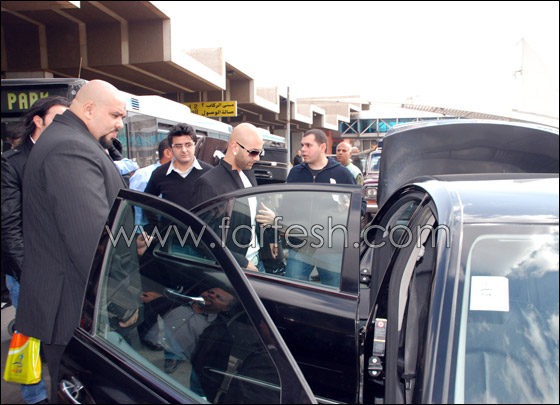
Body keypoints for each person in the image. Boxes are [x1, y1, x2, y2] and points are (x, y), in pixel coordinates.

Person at [15, 80, 129, 405]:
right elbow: (92, 243)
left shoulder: (71, 140)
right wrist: (123, 302)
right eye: (116, 115)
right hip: (71, 308)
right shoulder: (70, 147)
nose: (120, 124)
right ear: (89, 109)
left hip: (70, 304)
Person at [1, 95, 70, 405]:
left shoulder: (67, 157)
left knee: (62, 337)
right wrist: (27, 272)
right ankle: (34, 396)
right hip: (28, 271)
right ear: (38, 120)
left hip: (65, 267)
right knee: (29, 336)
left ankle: (64, 387)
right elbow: (9, 226)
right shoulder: (12, 162)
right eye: (57, 118)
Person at [281, 129, 356, 285]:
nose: (303, 149)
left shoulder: (342, 174)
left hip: (331, 249)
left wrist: (350, 207)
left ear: (322, 147)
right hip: (300, 246)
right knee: (291, 291)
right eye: (302, 145)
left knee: (333, 293)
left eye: (308, 145)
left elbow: (359, 205)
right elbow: (286, 204)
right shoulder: (295, 173)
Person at [191, 123, 265, 272]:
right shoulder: (208, 183)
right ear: (235, 147)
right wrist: (241, 262)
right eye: (253, 152)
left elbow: (251, 217)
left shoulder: (249, 174)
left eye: (260, 153)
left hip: (258, 261)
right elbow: (201, 239)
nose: (257, 158)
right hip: (233, 269)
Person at [144, 123, 212, 210]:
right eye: (178, 146)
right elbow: (147, 204)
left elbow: (218, 207)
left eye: (188, 145)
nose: (184, 150)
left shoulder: (209, 172)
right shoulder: (159, 174)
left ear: (195, 145)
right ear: (171, 149)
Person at [128, 138, 173, 226]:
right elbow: (137, 209)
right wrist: (139, 231)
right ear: (168, 153)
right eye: (177, 148)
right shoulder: (144, 175)